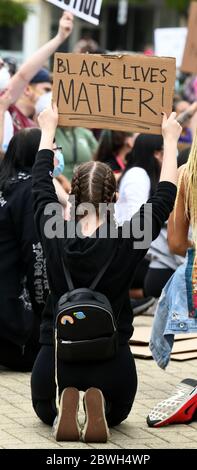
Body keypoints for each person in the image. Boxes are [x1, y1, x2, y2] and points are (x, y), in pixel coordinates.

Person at [31, 105, 181, 443]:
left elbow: (39, 186)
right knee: (117, 415)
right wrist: (170, 140)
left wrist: (47, 130)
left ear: (71, 195)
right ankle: (100, 399)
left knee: (43, 410)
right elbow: (164, 197)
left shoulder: (53, 229)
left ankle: (61, 401)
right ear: (113, 199)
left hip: (54, 361)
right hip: (114, 362)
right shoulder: (128, 237)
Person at [0, 128, 49, 371]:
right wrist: (45, 310)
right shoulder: (30, 192)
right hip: (14, 321)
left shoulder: (6, 185)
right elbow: (36, 255)